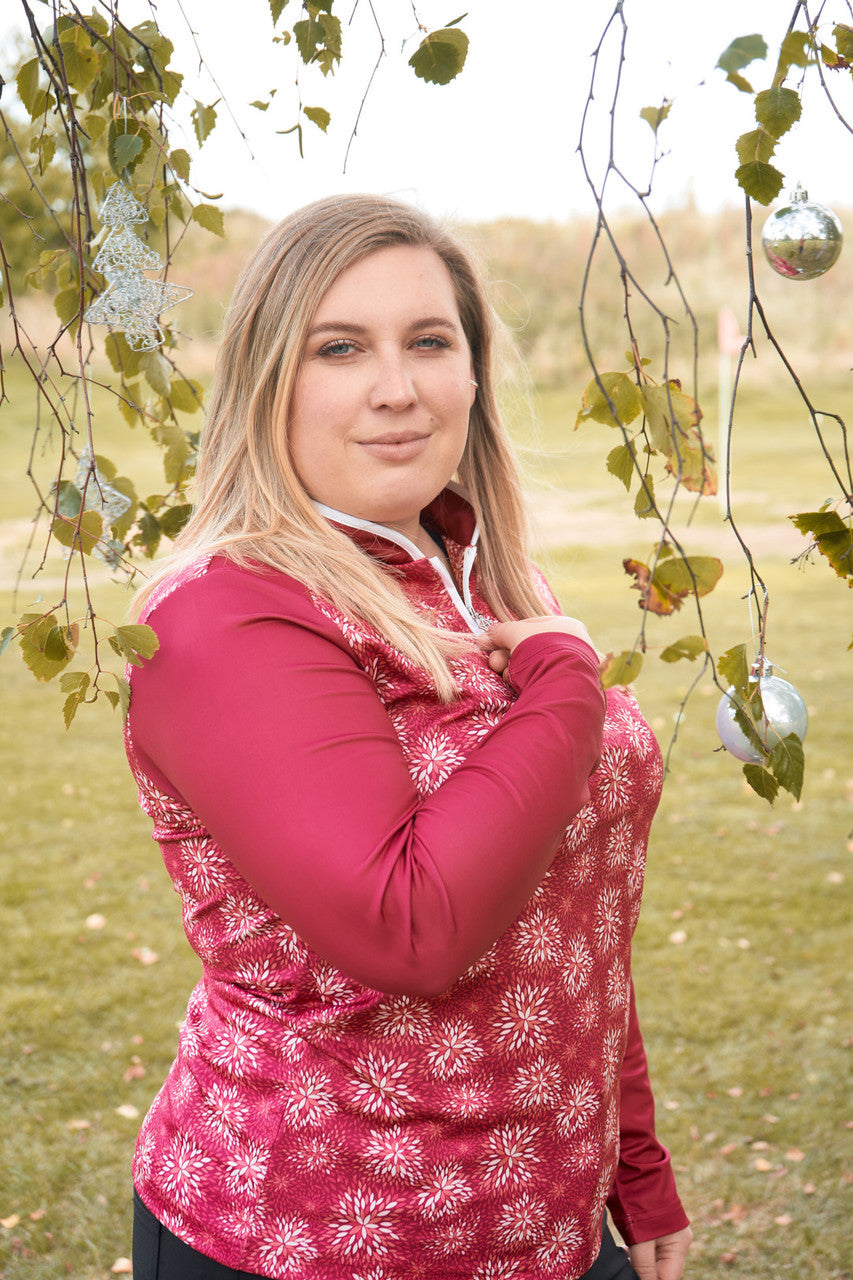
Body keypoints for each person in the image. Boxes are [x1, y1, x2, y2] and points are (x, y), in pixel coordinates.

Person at [124, 193, 692, 1280]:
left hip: (549, 1225)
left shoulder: (479, 577)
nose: (397, 387)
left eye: (429, 341)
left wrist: (633, 1156)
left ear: (473, 374)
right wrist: (566, 675)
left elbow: (574, 914)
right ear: (268, 379)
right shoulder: (224, 615)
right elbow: (411, 926)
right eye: (339, 347)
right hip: (311, 1237)